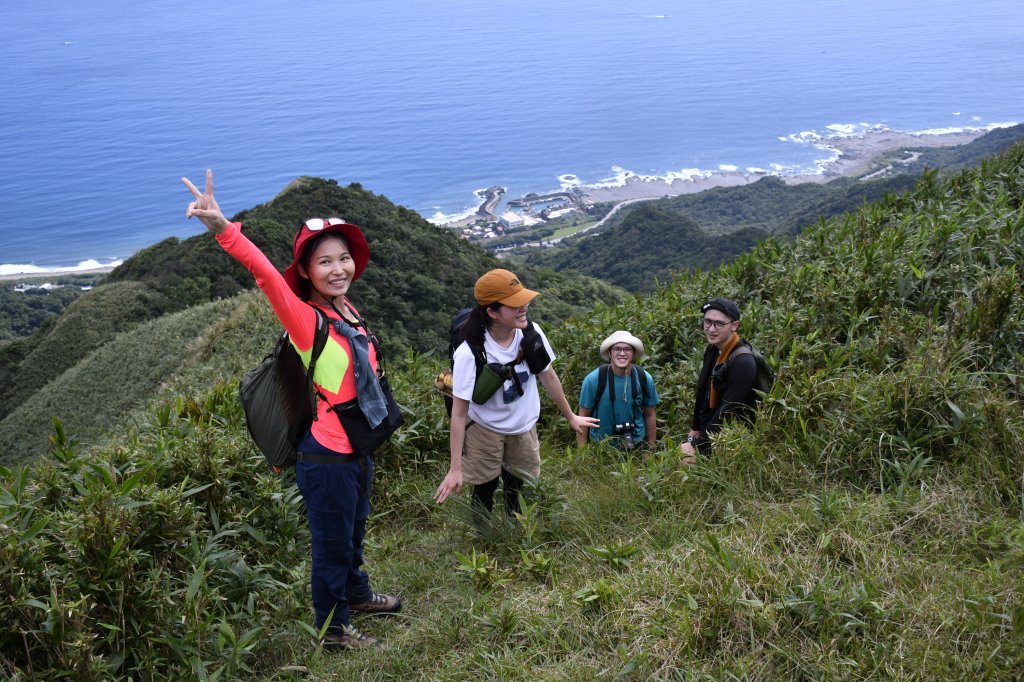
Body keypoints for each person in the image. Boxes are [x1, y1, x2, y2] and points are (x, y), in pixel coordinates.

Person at [182, 169, 399, 652]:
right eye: (325, 262)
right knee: (332, 545)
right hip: (326, 457)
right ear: (305, 270)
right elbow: (263, 273)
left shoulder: (347, 308)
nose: (338, 268)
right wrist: (223, 228)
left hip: (357, 443)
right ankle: (335, 631)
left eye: (344, 258)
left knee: (355, 530)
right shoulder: (306, 319)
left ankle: (358, 594)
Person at [433, 269, 598, 518]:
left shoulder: (531, 333)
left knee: (517, 484)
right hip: (484, 428)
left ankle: (513, 527)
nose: (524, 308)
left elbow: (548, 375)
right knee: (485, 486)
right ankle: (483, 532)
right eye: (514, 304)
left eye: (524, 301)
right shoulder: (470, 353)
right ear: (492, 312)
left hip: (523, 426)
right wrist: (455, 468)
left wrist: (571, 416)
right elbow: (458, 414)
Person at [680, 298, 758, 462]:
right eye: (708, 322)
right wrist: (695, 428)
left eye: (719, 324)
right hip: (712, 425)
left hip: (735, 434)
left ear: (734, 325)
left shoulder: (743, 362)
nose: (711, 329)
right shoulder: (713, 349)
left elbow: (728, 410)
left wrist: (698, 446)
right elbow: (702, 388)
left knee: (686, 461)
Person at [577, 331, 660, 449]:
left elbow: (650, 414)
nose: (622, 353)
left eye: (627, 349)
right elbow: (583, 416)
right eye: (617, 349)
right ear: (610, 353)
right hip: (601, 448)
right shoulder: (593, 379)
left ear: (633, 353)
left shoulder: (644, 378)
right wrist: (582, 452)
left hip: (637, 445)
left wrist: (651, 448)